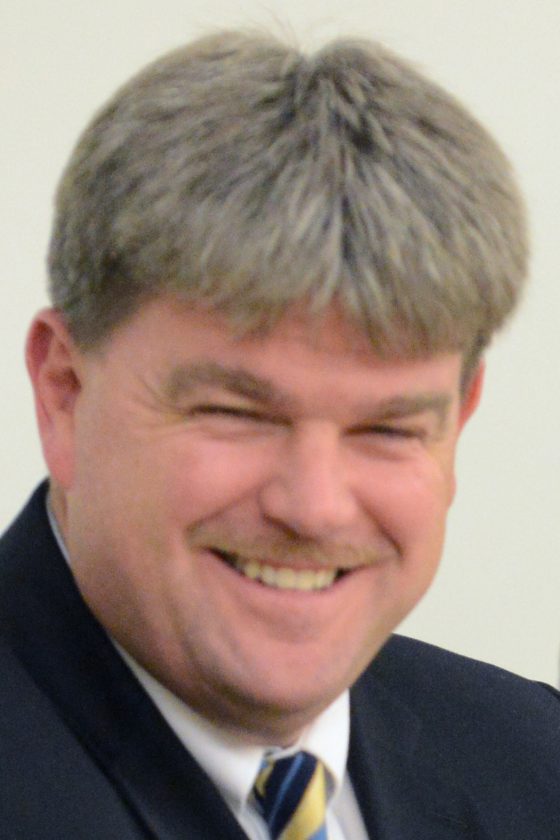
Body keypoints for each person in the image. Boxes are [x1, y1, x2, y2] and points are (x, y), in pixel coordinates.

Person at [1, 29, 559, 840]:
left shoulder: (535, 762)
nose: (314, 507)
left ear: (458, 423)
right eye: (237, 414)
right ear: (65, 394)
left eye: (388, 428)